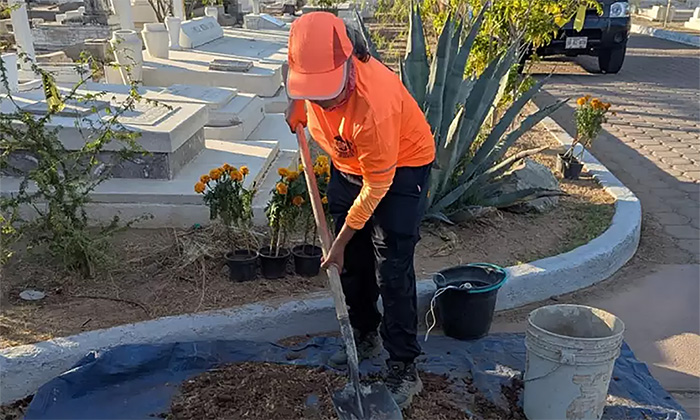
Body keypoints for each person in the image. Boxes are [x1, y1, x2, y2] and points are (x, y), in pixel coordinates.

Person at [284, 12, 435, 408]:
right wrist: (296, 102)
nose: (322, 101)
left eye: (325, 92)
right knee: (352, 263)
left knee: (392, 268)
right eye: (311, 91)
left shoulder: (376, 103)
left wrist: (340, 241)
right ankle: (364, 334)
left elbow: (377, 187)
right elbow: (303, 77)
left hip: (399, 169)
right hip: (348, 164)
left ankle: (404, 366)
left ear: (350, 61)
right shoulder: (313, 76)